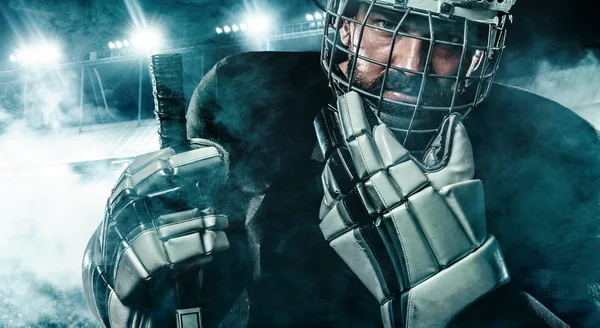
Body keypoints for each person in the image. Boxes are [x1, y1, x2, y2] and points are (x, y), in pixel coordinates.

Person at [82, 0, 600, 327]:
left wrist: (473, 305)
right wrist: (131, 277)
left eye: (447, 40)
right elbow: (205, 271)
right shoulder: (250, 97)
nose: (412, 65)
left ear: (479, 52)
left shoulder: (551, 144)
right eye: (388, 25)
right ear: (345, 25)